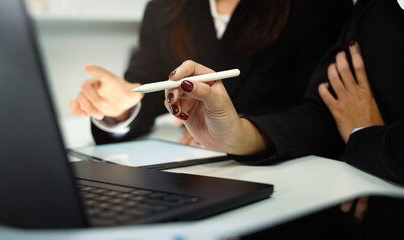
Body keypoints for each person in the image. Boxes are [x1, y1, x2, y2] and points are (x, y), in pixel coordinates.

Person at [164, 0, 404, 237]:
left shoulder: (316, 9)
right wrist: (240, 134)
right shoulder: (375, 10)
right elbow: (326, 109)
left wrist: (365, 134)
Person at [69, 0, 353, 145]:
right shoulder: (164, 8)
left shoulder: (316, 6)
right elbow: (147, 95)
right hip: (186, 182)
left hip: (281, 181)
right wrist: (120, 109)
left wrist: (242, 131)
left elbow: (321, 115)